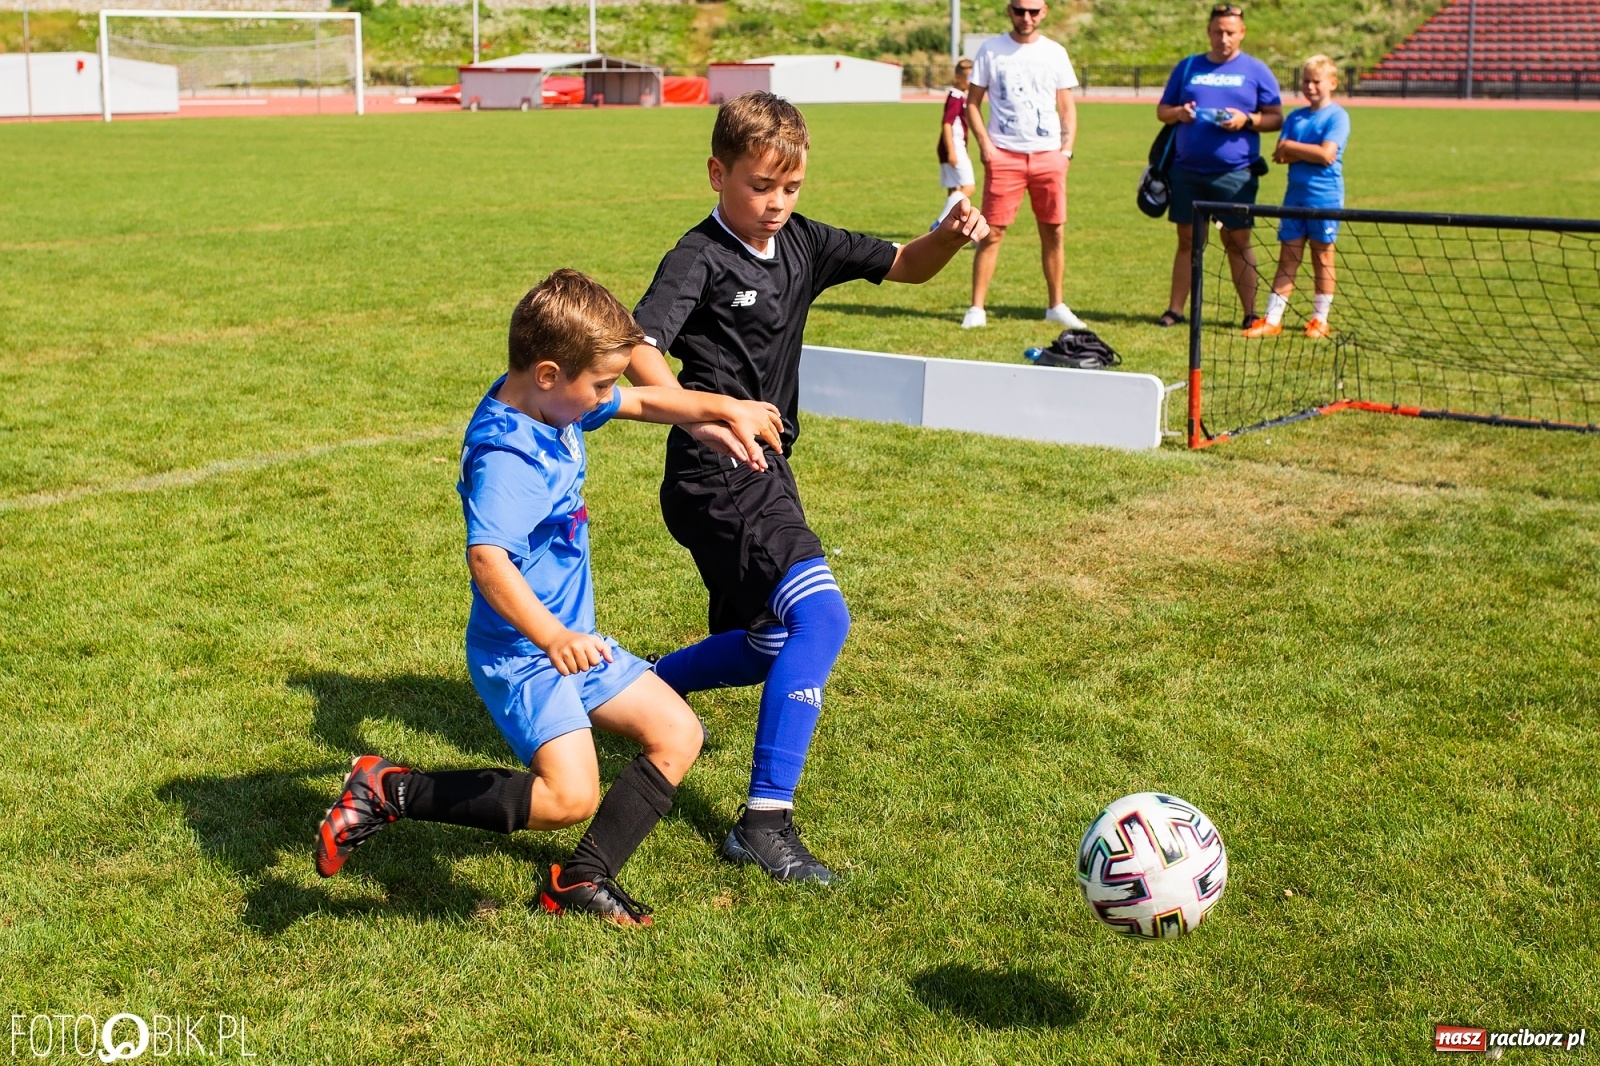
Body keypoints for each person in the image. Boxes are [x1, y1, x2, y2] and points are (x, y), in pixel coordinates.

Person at [314, 269, 787, 926]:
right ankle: (388, 789)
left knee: (677, 731)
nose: (606, 395)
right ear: (546, 373)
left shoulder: (552, 399)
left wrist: (722, 409)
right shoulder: (507, 456)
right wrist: (552, 637)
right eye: (597, 383)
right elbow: (488, 561)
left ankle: (580, 879)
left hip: (574, 641)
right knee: (568, 798)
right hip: (525, 653)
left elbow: (646, 404)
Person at [625, 91, 989, 885]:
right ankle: (764, 823)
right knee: (822, 615)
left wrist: (949, 238)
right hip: (715, 471)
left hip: (764, 471)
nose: (776, 205)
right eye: (760, 187)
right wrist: (701, 414)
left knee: (770, 644)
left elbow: (905, 265)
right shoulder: (699, 257)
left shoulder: (803, 243)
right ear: (718, 174)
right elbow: (637, 347)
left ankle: (636, 686)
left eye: (790, 189)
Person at [1155, 3, 1283, 329]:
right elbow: (1163, 111)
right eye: (1217, 31)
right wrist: (1179, 114)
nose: (1223, 38)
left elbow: (1275, 118)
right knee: (1187, 241)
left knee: (1237, 242)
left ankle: (1250, 313)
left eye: (1230, 32)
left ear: (1242, 33)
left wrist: (1247, 119)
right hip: (1186, 172)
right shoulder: (1188, 67)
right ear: (1208, 32)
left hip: (1235, 174)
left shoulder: (1256, 71)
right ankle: (1175, 310)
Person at [962, 0, 1084, 331]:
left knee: (1054, 231)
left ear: (1044, 12)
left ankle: (1056, 305)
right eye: (1020, 10)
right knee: (991, 233)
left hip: (1049, 157)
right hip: (1005, 155)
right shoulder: (991, 50)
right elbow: (972, 103)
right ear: (1009, 11)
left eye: (1033, 11)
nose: (1026, 17)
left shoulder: (1055, 52)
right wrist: (987, 147)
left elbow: (1067, 107)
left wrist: (1065, 152)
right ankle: (977, 308)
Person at [1245, 55, 1350, 339]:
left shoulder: (1337, 116)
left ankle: (1320, 319)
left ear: (1332, 83)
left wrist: (1293, 146)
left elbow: (1326, 155)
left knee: (1323, 258)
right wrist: (1301, 150)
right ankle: (1272, 318)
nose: (1310, 87)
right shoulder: (1295, 117)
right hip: (1294, 198)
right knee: (1288, 257)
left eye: (1317, 81)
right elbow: (1280, 154)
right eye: (1306, 81)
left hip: (1324, 199)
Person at [934, 58, 977, 230]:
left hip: (954, 147)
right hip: (952, 147)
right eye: (968, 77)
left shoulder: (961, 96)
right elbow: (946, 123)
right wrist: (952, 151)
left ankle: (949, 227)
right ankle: (939, 223)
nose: (971, 81)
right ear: (958, 77)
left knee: (954, 190)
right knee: (969, 187)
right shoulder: (955, 96)